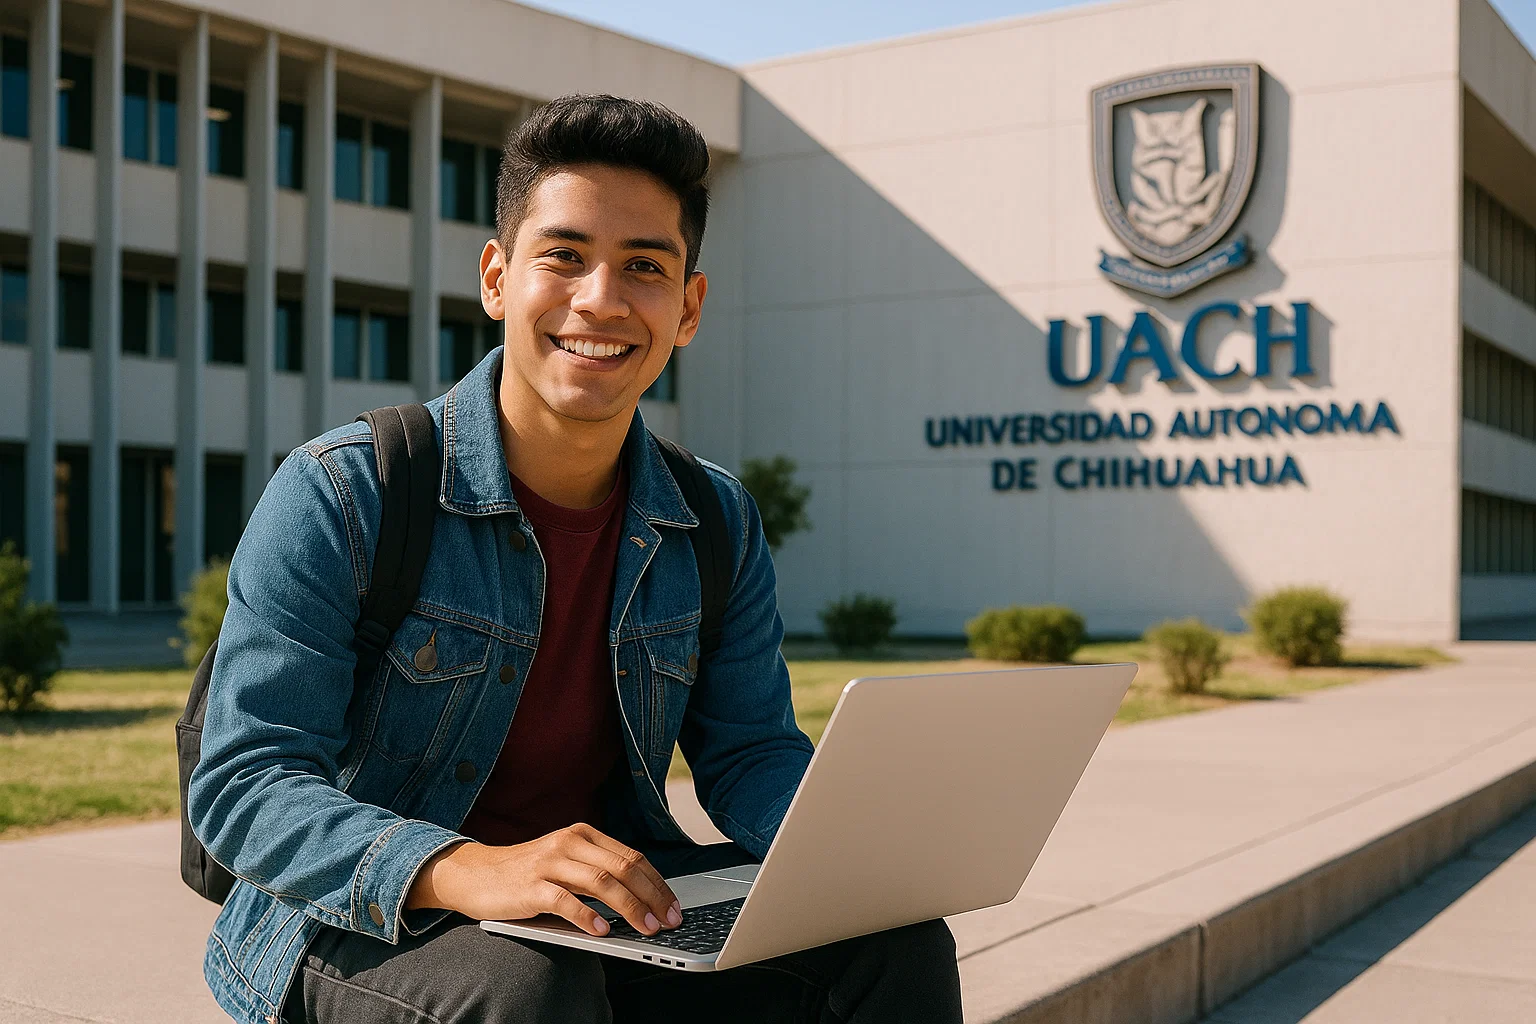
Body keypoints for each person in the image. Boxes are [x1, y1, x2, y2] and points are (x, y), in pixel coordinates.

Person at [188, 94, 963, 1024]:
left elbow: (750, 751)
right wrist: (469, 869)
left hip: (605, 907)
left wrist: (852, 851)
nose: (600, 299)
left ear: (688, 307)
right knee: (528, 993)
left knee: (893, 949)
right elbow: (243, 786)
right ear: (497, 278)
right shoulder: (348, 490)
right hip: (360, 919)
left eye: (644, 266)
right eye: (564, 256)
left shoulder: (714, 518)